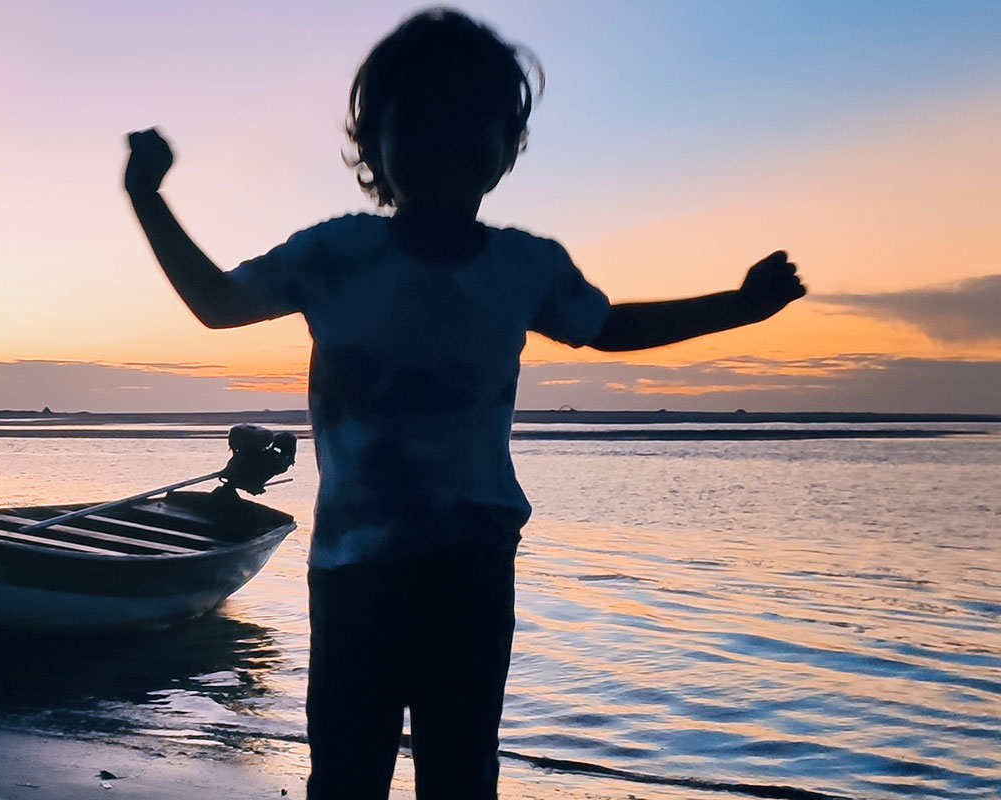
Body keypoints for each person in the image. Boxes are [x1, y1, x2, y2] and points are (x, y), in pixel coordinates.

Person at [122, 8, 805, 799]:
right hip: (353, 572)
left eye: (470, 118)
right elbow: (216, 302)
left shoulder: (525, 267)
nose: (446, 138)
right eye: (421, 118)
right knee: (346, 770)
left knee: (461, 768)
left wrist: (740, 306)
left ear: (508, 144)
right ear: (374, 143)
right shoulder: (336, 255)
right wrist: (148, 197)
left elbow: (609, 327)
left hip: (472, 566)